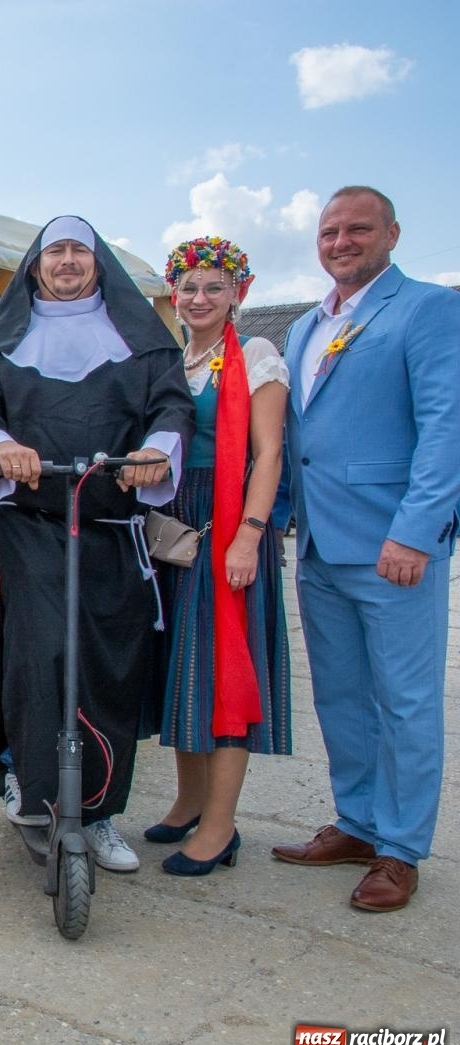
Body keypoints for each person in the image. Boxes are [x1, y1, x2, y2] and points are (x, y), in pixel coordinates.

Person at [0, 215, 194, 873]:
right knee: (43, 652)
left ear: (99, 265)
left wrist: (156, 451)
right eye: (55, 250)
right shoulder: (4, 345)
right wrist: (0, 447)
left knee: (110, 666)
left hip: (113, 531)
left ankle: (99, 811)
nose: (66, 261)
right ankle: (33, 790)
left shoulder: (143, 342)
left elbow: (173, 408)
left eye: (78, 252)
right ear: (35, 264)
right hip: (34, 527)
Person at [270, 186, 460, 912]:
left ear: (392, 234)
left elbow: (446, 428)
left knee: (406, 703)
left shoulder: (428, 310)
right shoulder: (304, 327)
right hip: (320, 545)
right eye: (329, 231)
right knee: (342, 697)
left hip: (394, 547)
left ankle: (401, 849)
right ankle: (356, 821)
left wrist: (416, 531)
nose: (341, 241)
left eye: (358, 229)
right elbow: (296, 440)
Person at [147, 236, 292, 876]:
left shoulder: (255, 355)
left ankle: (221, 825)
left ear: (239, 292)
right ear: (173, 294)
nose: (199, 298)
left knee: (222, 673)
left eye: (213, 286)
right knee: (183, 667)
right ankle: (188, 800)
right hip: (177, 525)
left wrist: (250, 535)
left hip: (227, 519)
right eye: (189, 287)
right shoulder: (177, 357)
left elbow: (269, 454)